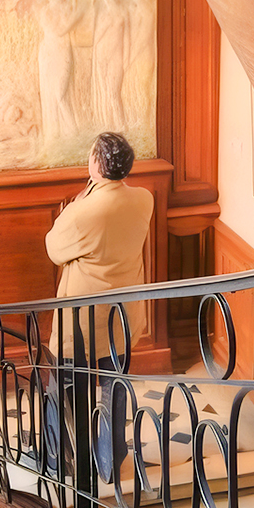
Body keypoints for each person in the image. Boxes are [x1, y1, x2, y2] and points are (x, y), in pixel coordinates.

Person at [44, 131, 154, 478]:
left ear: (96, 163)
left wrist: (81, 199)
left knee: (63, 388)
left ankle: (58, 457)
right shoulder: (144, 199)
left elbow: (54, 249)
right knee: (113, 387)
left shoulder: (83, 213)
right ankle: (109, 460)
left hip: (83, 319)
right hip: (122, 315)